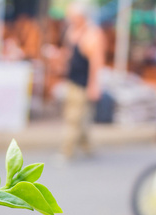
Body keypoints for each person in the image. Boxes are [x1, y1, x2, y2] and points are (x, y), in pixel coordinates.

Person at [60, 2, 106, 159]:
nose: (71, 19)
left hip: (84, 83)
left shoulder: (92, 34)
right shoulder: (72, 31)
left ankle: (67, 151)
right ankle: (88, 147)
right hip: (72, 80)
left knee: (74, 118)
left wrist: (94, 85)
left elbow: (97, 62)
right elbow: (68, 54)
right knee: (82, 117)